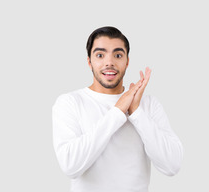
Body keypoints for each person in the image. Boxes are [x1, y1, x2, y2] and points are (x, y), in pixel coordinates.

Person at [52, 26, 183, 192]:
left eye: (118, 55)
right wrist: (117, 112)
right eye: (100, 55)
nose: (109, 62)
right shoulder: (69, 102)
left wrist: (136, 112)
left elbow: (172, 165)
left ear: (127, 61)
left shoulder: (148, 105)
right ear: (89, 61)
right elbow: (70, 166)